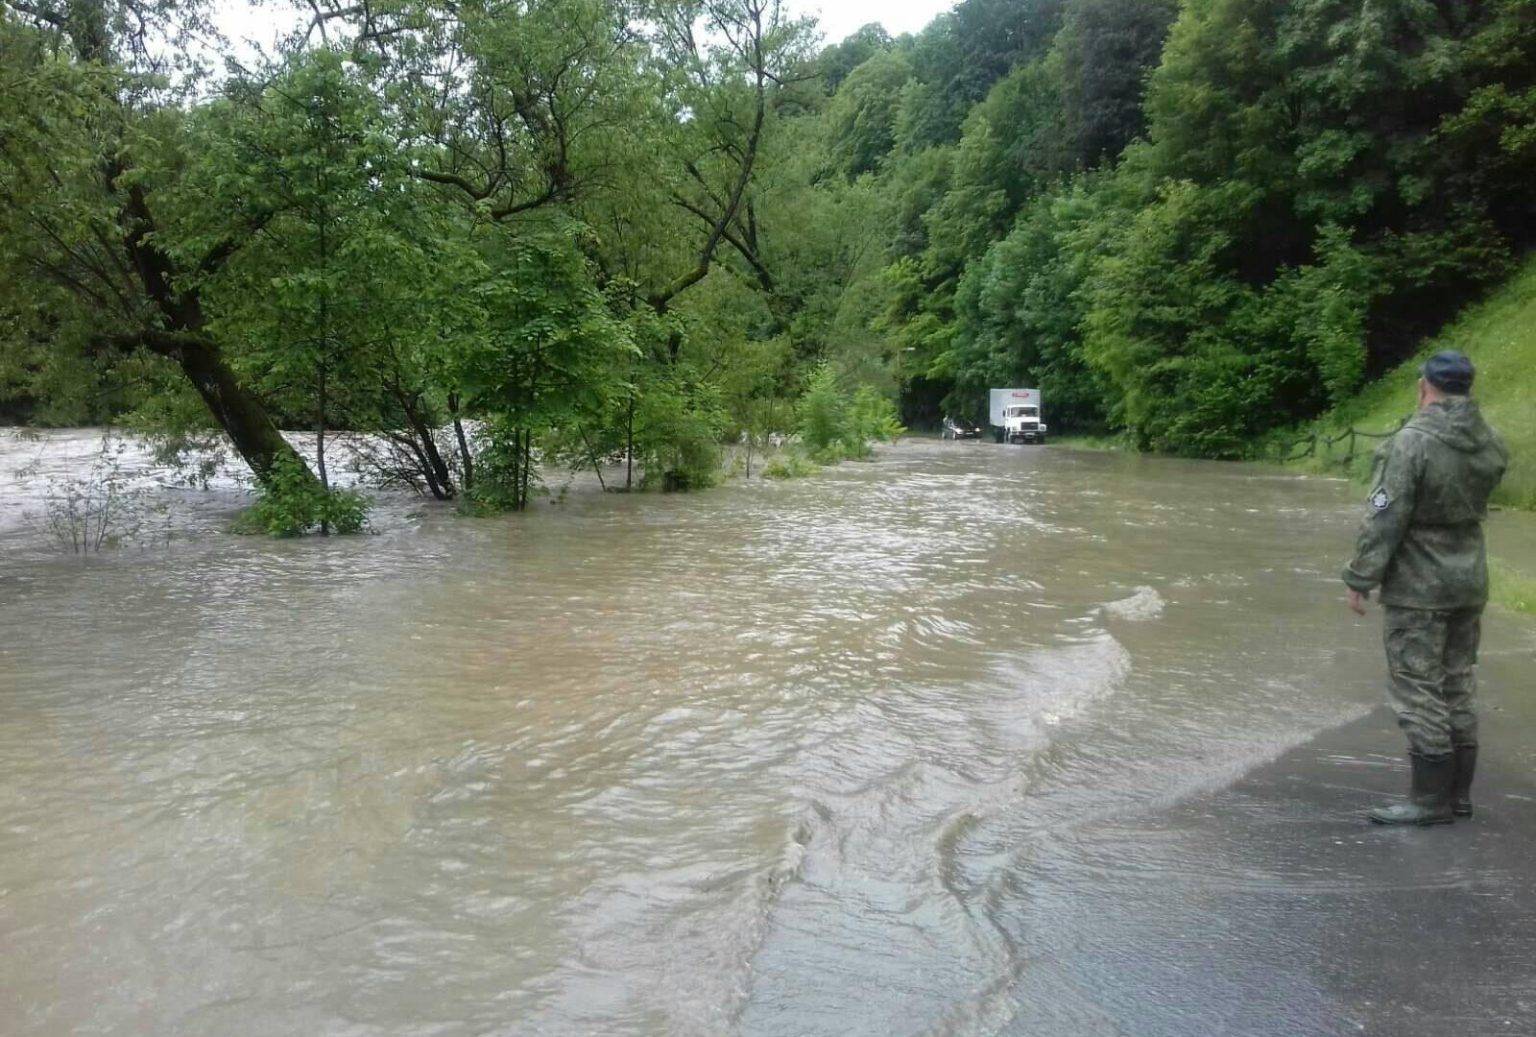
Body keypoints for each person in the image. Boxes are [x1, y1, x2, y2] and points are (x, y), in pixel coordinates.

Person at [1343, 350, 1508, 825]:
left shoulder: (1410, 443)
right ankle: (1458, 795)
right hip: (1468, 577)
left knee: (1417, 685)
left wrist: (1360, 577)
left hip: (1419, 584)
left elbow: (1384, 516)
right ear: (1467, 389)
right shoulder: (1490, 441)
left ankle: (1429, 801)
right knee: (1458, 681)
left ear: (1423, 388)